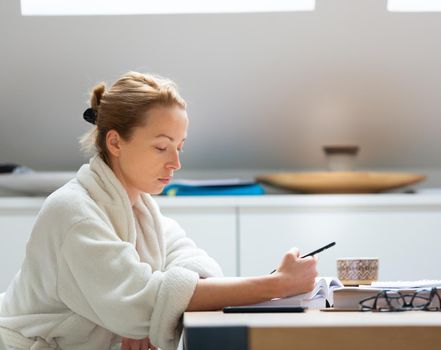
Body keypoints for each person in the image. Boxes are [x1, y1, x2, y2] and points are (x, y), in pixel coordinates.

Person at [0, 72, 318, 350]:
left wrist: (145, 314)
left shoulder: (139, 206)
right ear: (115, 142)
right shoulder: (75, 212)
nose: (176, 163)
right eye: (161, 146)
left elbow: (198, 264)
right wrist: (277, 285)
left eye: (179, 147)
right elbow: (143, 305)